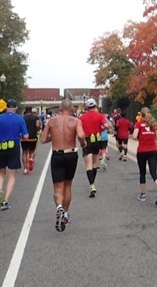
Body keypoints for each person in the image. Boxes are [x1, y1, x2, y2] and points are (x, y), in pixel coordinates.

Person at [40, 99, 86, 232]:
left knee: (58, 187)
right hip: (71, 154)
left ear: (60, 108)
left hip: (57, 154)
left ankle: (59, 206)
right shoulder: (76, 121)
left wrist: (53, 137)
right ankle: (65, 212)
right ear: (71, 108)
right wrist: (83, 143)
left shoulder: (52, 121)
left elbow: (43, 140)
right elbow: (81, 135)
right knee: (68, 184)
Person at [0, 99, 28, 211]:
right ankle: (5, 201)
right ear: (15, 108)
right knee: (12, 174)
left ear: (6, 107)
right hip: (13, 146)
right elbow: (26, 136)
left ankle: (0, 189)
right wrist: (18, 136)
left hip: (0, 146)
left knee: (1, 171)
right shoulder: (20, 119)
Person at [79, 98, 113, 197]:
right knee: (94, 163)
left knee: (88, 164)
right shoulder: (100, 116)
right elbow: (107, 126)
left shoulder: (82, 117)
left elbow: (79, 129)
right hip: (97, 139)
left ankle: (91, 184)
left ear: (87, 107)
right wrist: (101, 128)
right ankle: (93, 183)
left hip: (87, 140)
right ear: (95, 106)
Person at [132, 106, 157, 205]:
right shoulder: (153, 124)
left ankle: (143, 194)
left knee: (142, 172)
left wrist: (140, 138)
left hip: (142, 151)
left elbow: (134, 136)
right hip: (152, 151)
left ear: (141, 115)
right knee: (153, 172)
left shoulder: (138, 124)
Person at [21, 107, 41, 175]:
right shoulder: (35, 118)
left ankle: (25, 169)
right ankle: (31, 159)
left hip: (24, 137)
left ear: (25, 111)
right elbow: (38, 125)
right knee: (32, 151)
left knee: (24, 152)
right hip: (33, 136)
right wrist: (37, 130)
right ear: (31, 111)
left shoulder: (22, 118)